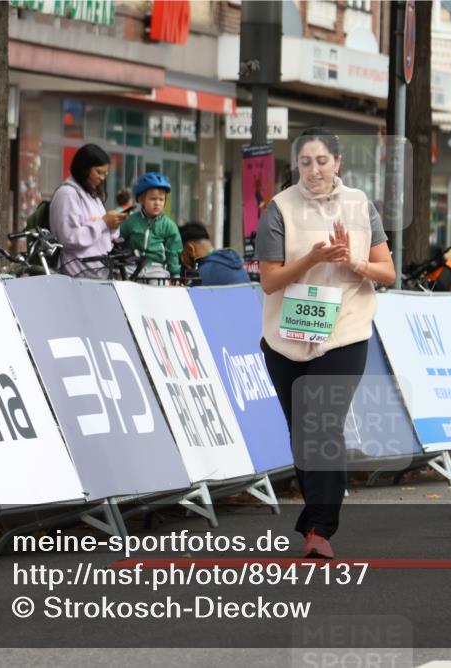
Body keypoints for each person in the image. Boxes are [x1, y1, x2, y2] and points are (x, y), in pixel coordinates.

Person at [256, 127, 395, 559]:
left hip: (345, 331)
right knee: (303, 431)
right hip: (286, 337)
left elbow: (388, 272)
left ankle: (319, 527)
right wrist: (313, 258)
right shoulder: (279, 208)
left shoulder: (360, 205)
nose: (314, 170)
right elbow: (269, 281)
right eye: (305, 162)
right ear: (296, 166)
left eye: (321, 161)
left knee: (322, 421)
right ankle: (316, 517)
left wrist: (354, 262)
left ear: (337, 162)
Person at [49, 144, 126, 276]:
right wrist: (103, 223)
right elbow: (69, 238)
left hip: (97, 271)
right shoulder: (67, 194)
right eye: (98, 172)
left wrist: (113, 225)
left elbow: (105, 235)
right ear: (83, 169)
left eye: (105, 173)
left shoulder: (92, 195)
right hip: (78, 273)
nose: (102, 178)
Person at [118, 172, 182, 280]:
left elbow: (173, 252)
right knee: (121, 281)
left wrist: (175, 274)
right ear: (141, 199)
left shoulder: (169, 226)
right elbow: (119, 239)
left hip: (156, 268)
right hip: (132, 265)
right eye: (153, 199)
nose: (157, 203)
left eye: (161, 199)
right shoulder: (131, 221)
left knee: (159, 287)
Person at [180, 222, 250, 285]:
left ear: (190, 249)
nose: (182, 260)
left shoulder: (204, 274)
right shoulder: (236, 265)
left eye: (182, 254)